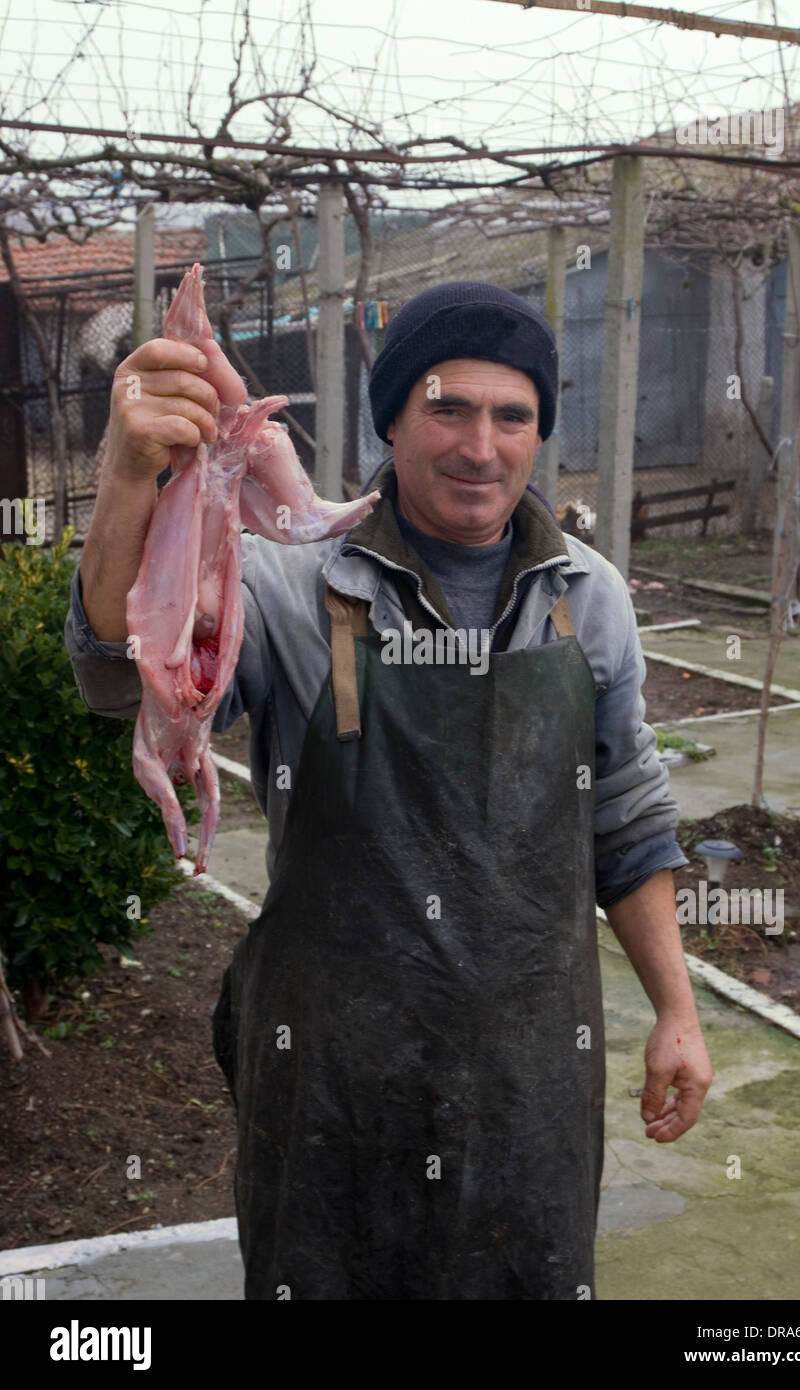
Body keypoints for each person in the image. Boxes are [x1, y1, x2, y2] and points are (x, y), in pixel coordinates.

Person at [65, 279, 712, 1301]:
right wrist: (128, 479)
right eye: (446, 407)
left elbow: (623, 816)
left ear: (540, 431)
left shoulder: (586, 598)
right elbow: (112, 673)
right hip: (332, 1080)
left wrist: (675, 1009)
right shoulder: (288, 578)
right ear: (394, 417)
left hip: (527, 1079)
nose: (479, 445)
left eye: (513, 416)